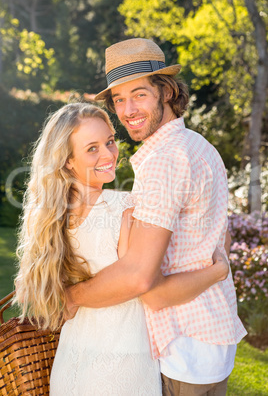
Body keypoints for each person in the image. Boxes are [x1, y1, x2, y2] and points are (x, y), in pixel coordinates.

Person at [65, 38, 247, 396]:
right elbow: (220, 238)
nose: (127, 109)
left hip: (184, 346)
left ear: (165, 91)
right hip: (214, 340)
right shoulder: (200, 147)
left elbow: (142, 282)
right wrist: (217, 269)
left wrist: (71, 297)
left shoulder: (164, 159)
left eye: (139, 95)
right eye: (118, 99)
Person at [14, 102, 230, 396]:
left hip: (72, 363)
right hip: (125, 365)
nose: (108, 154)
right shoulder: (125, 209)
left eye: (110, 141)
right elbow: (147, 280)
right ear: (67, 160)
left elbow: (36, 292)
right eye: (92, 148)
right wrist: (217, 270)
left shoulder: (47, 220)